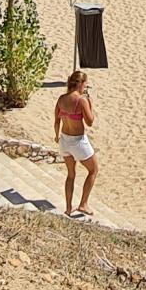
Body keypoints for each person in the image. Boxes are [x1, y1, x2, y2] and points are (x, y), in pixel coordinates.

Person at [54, 71, 99, 217]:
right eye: (85, 84)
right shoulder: (81, 100)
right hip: (78, 141)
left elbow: (57, 121)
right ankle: (83, 204)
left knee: (71, 174)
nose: (85, 87)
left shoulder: (61, 99)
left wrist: (56, 136)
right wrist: (90, 104)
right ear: (80, 83)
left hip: (64, 140)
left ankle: (68, 207)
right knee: (93, 170)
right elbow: (90, 122)